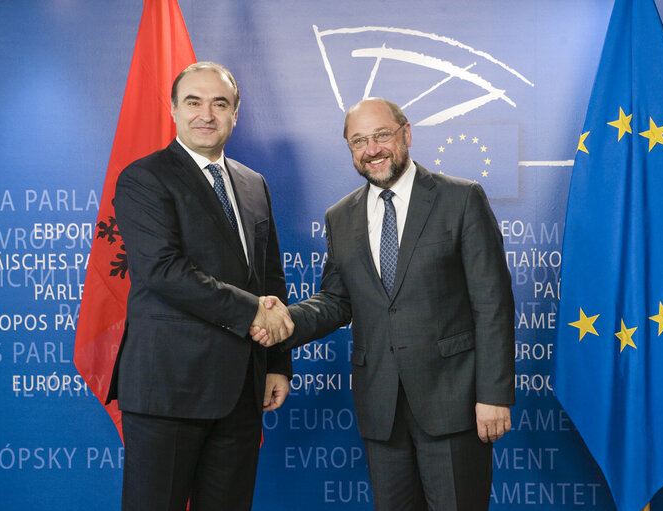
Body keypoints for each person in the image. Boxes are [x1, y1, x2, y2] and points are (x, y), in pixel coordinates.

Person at [255, 97, 515, 510]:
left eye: (381, 136)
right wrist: (285, 320)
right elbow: (336, 301)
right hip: (381, 409)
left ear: (406, 134)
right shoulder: (340, 216)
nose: (371, 149)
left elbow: (493, 305)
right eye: (359, 141)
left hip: (455, 403)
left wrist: (494, 395)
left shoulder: (460, 199)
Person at [106, 61, 294, 511]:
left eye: (219, 103)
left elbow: (269, 279)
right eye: (193, 102)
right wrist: (253, 312)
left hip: (241, 394)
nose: (206, 114)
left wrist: (276, 363)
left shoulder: (253, 184)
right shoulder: (143, 179)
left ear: (235, 114)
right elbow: (163, 270)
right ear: (173, 109)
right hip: (168, 391)